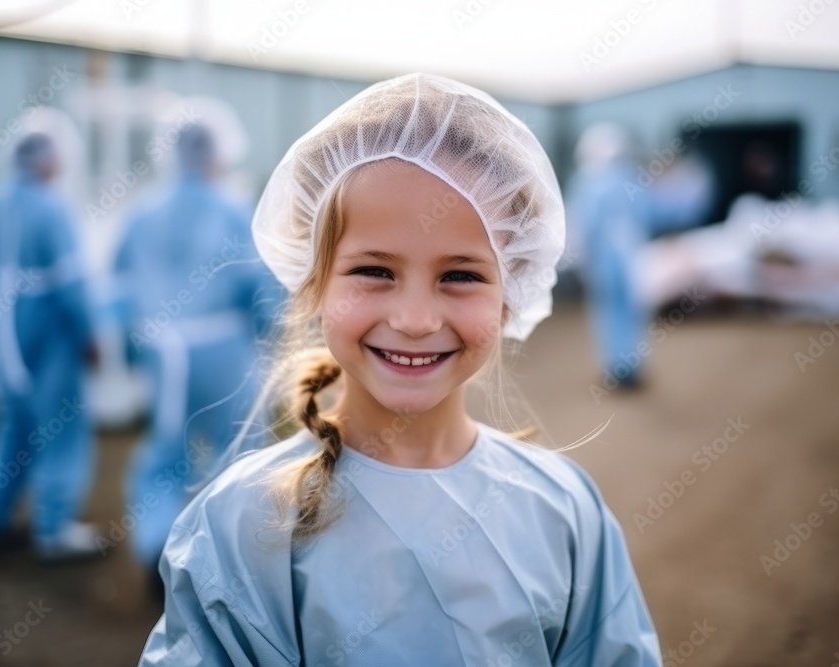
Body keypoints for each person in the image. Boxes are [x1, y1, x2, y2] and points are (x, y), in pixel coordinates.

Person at [138, 73, 660, 666]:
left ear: (510, 292)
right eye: (374, 271)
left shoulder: (564, 514)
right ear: (314, 282)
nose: (414, 319)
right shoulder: (243, 524)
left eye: (461, 275)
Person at [111, 122, 280, 599]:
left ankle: (155, 550)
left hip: (163, 354)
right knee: (240, 453)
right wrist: (270, 334)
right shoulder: (233, 208)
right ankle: (235, 561)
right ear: (219, 153)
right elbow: (261, 286)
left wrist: (134, 347)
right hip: (226, 350)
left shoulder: (143, 212)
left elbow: (119, 287)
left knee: (165, 456)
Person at [0, 132, 103, 561]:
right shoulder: (53, 208)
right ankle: (53, 528)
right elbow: (73, 286)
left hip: (6, 342)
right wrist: (89, 336)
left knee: (12, 425)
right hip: (52, 337)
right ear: (48, 160)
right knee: (59, 428)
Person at [570, 123, 650, 390]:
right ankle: (633, 367)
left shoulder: (588, 182)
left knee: (607, 312)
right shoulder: (631, 177)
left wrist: (577, 258)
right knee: (632, 311)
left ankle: (615, 369)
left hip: (604, 257)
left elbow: (583, 224)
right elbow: (648, 213)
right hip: (631, 254)